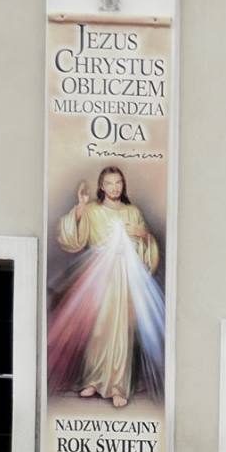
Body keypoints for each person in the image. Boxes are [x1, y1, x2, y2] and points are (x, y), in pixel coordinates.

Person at [47, 166, 164, 410]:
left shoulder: (133, 212)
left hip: (125, 275)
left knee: (121, 331)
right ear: (101, 186)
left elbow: (146, 249)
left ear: (123, 185)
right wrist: (80, 207)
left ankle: (117, 386)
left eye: (118, 182)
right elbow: (73, 240)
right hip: (98, 275)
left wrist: (143, 234)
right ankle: (93, 379)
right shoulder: (92, 210)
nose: (114, 187)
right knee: (97, 329)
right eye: (109, 183)